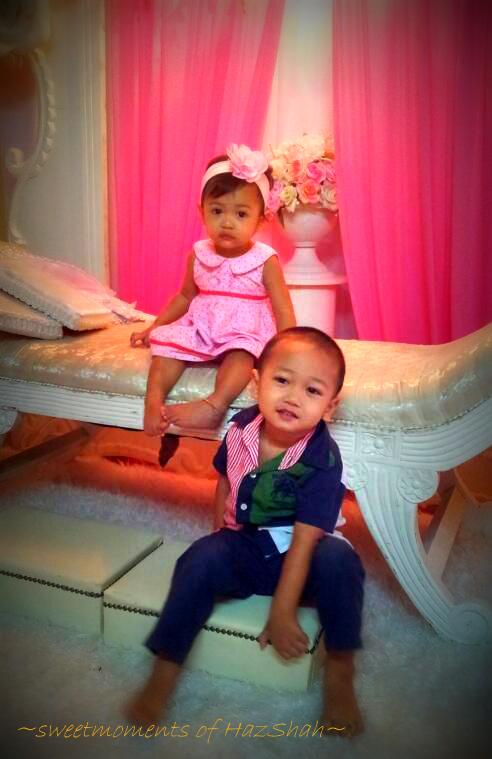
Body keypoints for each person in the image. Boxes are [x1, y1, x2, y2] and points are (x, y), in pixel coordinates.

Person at [126, 327, 366, 737]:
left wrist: (282, 611)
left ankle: (341, 667)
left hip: (303, 554)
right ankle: (165, 667)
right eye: (282, 380)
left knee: (341, 562)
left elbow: (305, 539)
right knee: (199, 558)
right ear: (257, 383)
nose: (292, 397)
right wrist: (219, 531)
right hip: (248, 544)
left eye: (312, 390)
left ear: (330, 406)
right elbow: (225, 477)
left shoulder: (322, 458)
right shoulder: (240, 427)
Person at [131, 144, 295, 440]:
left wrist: (287, 349)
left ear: (261, 219)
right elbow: (185, 296)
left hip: (244, 331)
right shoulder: (199, 254)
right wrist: (155, 326)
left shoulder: (264, 259)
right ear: (202, 212)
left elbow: (283, 308)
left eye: (241, 214)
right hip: (203, 327)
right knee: (166, 347)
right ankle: (153, 401)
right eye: (217, 211)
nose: (227, 222)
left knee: (242, 353)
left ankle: (214, 406)